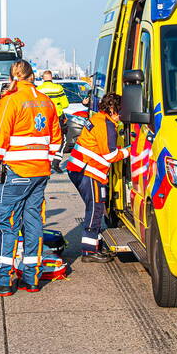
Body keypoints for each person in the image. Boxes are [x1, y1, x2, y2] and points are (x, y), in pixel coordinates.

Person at [0, 60, 61, 297]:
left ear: (12, 76)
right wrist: (48, 159)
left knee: (7, 224)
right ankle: (31, 277)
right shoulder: (46, 101)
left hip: (16, 171)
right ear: (32, 76)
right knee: (33, 222)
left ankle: (2, 279)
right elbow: (56, 137)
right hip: (40, 172)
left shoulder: (9, 101)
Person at [64, 92, 129, 262]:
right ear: (113, 109)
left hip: (79, 168)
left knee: (94, 207)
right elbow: (109, 155)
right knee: (95, 208)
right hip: (88, 171)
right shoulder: (105, 125)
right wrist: (129, 151)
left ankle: (93, 245)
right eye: (120, 110)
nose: (122, 115)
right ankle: (90, 251)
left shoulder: (98, 119)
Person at [37, 70, 70, 172]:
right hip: (57, 117)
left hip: (43, 118)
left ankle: (44, 163)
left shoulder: (38, 89)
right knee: (61, 139)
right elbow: (65, 104)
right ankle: (55, 162)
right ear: (51, 78)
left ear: (43, 78)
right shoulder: (58, 88)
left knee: (45, 140)